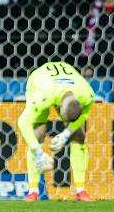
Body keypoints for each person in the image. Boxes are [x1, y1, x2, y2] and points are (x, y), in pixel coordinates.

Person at [17, 61, 96, 202]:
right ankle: (33, 191)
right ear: (60, 107)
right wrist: (38, 152)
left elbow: (84, 115)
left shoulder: (86, 94)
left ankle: (80, 190)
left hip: (64, 82)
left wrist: (67, 133)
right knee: (38, 133)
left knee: (78, 134)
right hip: (39, 82)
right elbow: (22, 122)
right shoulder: (43, 96)